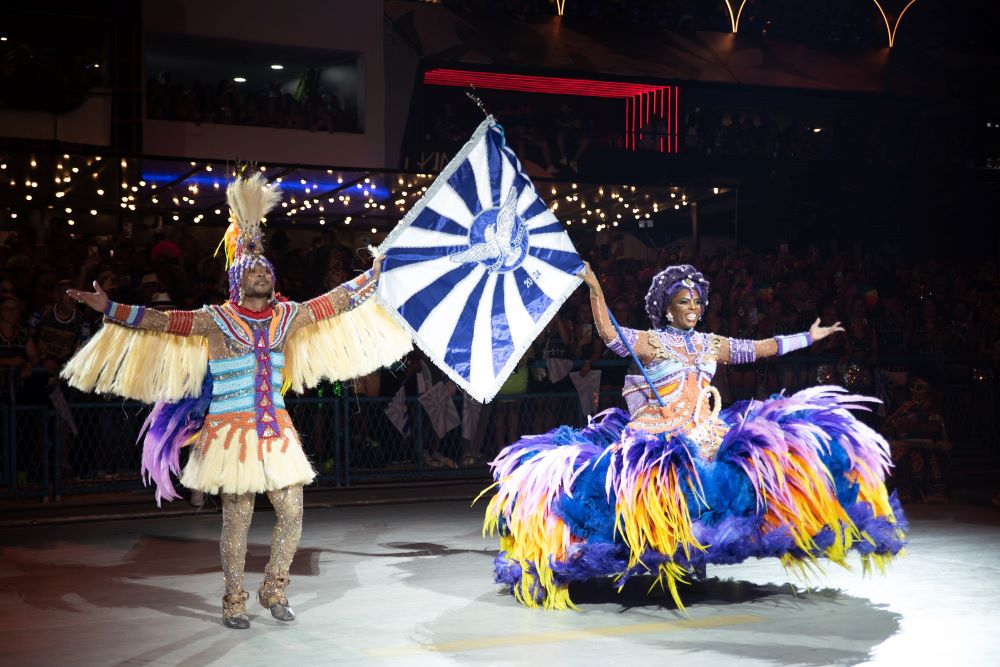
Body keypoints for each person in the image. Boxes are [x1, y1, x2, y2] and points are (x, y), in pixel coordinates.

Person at [62, 170, 411, 629]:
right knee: (238, 519)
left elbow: (336, 301)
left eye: (266, 268)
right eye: (251, 268)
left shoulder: (289, 315)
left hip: (277, 429)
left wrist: (373, 277)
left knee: (293, 510)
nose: (260, 271)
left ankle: (274, 588)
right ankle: (233, 600)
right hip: (230, 431)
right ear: (236, 279)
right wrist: (109, 308)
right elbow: (161, 323)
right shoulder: (214, 320)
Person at [483, 263, 906, 610]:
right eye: (683, 302)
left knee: (724, 493)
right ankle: (653, 566)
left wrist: (807, 338)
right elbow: (610, 335)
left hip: (705, 433)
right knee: (655, 497)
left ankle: (690, 568)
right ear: (668, 310)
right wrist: (594, 288)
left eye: (697, 301)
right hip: (658, 437)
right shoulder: (650, 342)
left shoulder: (711, 343)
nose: (692, 307)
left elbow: (759, 348)